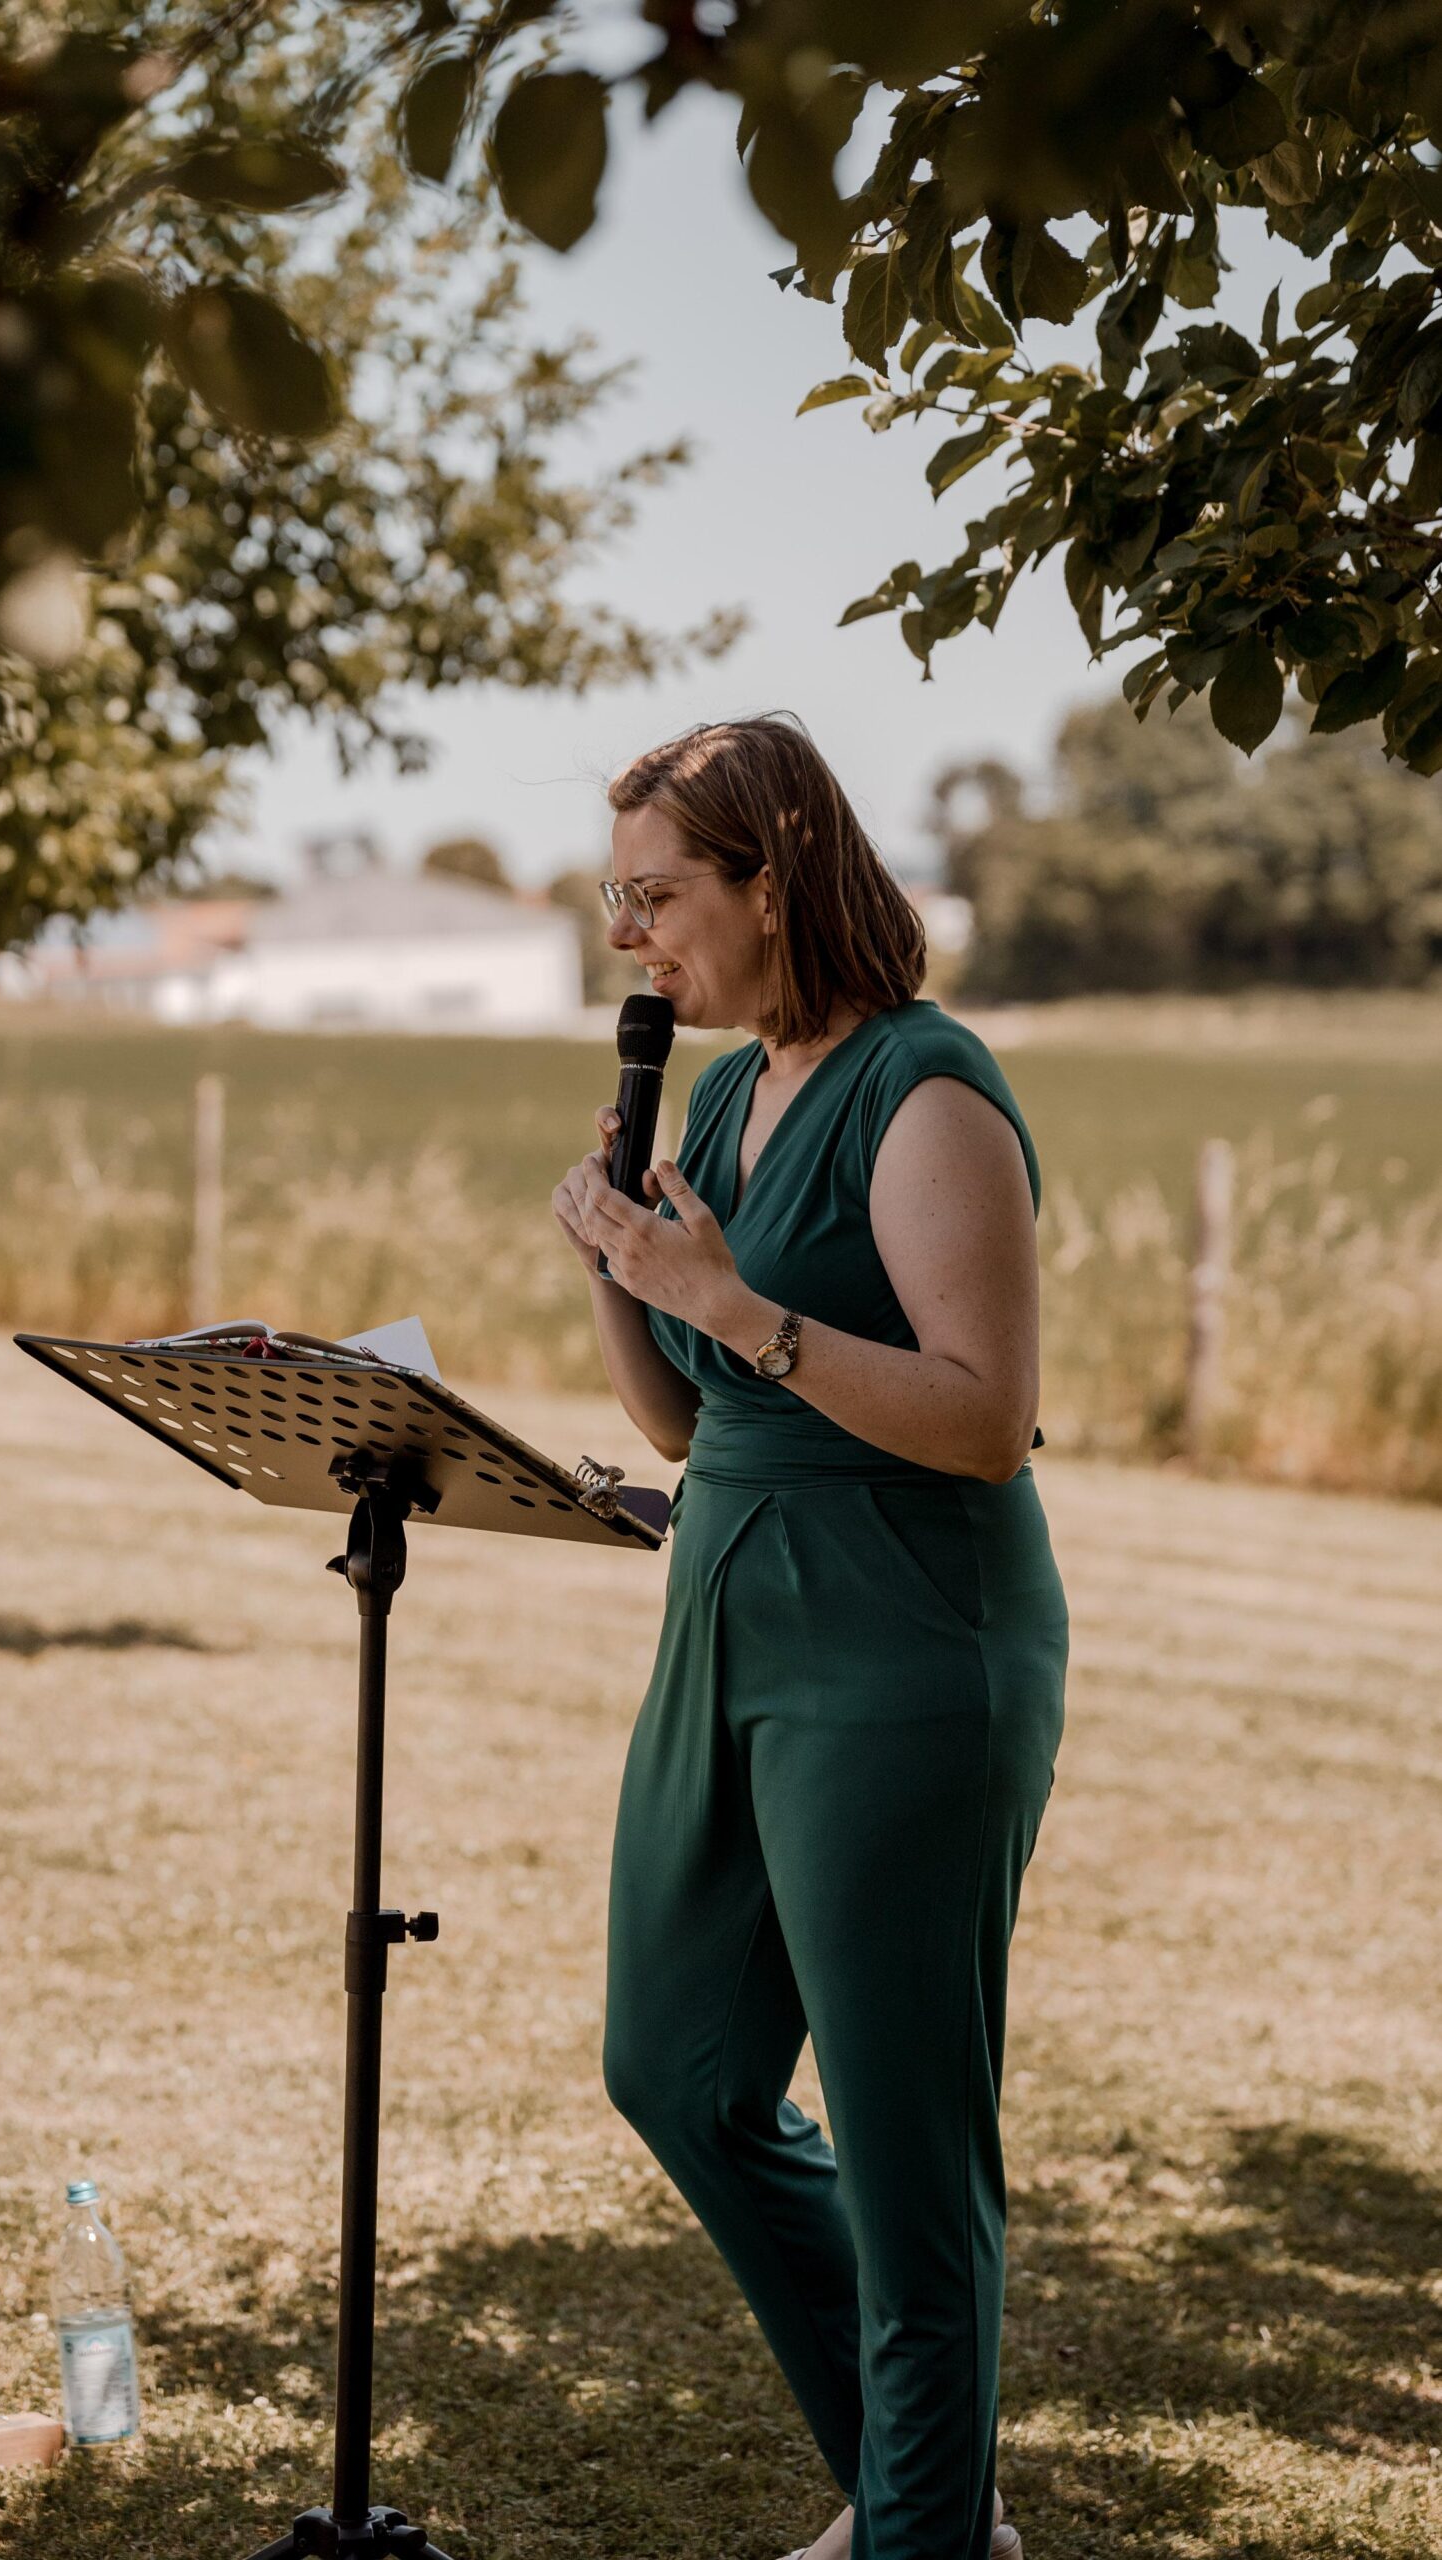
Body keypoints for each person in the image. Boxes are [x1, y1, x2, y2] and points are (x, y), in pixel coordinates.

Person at [551, 716, 1068, 2560]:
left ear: (771, 882)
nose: (628, 936)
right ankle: (932, 2498)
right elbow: (683, 1424)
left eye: (656, 895)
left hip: (904, 1642)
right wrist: (625, 1273)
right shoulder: (721, 1100)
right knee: (679, 2069)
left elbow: (986, 1417)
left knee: (915, 2161)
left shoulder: (927, 1091)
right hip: (731, 1611)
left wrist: (735, 1305)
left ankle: (921, 2531)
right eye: (615, 897)